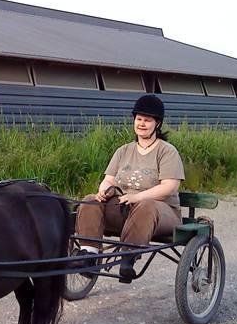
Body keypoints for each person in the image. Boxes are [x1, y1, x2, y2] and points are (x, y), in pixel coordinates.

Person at [75, 94, 185, 282]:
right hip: (125, 209)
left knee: (146, 205)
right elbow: (108, 179)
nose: (142, 124)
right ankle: (88, 255)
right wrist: (104, 190)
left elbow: (169, 186)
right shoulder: (123, 150)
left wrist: (137, 197)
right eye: (139, 119)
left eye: (147, 120)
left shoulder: (166, 151)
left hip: (161, 213)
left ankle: (128, 258)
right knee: (90, 200)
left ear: (157, 124)